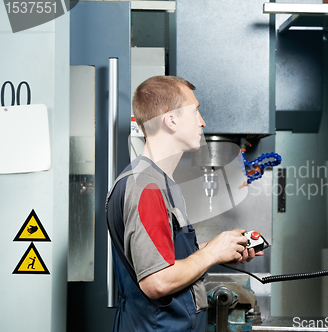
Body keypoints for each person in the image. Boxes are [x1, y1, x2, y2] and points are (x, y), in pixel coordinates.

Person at [106, 76, 262, 332]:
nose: (202, 122)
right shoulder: (146, 186)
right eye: (196, 111)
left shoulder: (160, 182)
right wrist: (210, 254)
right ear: (171, 120)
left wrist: (220, 249)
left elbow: (164, 256)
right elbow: (156, 281)